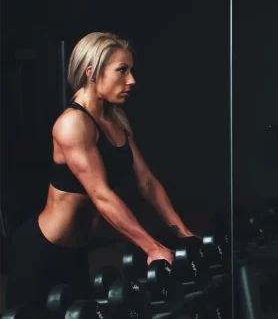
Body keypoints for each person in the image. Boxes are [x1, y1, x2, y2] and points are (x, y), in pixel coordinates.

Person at [4, 32, 196, 312]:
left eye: (130, 70)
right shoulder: (72, 124)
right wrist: (152, 247)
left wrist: (184, 234)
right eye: (122, 70)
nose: (131, 80)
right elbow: (101, 195)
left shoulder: (114, 119)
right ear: (92, 72)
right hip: (41, 251)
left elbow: (147, 182)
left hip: (77, 252)